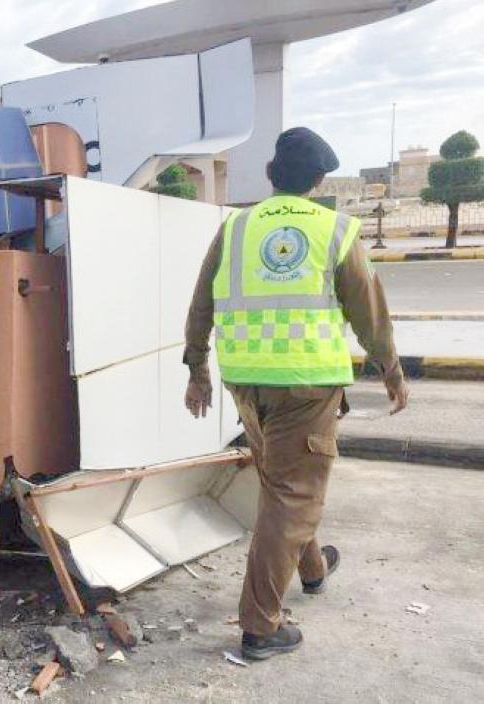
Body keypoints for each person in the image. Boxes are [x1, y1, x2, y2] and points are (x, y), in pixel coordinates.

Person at [182, 127, 409, 660]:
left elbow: (200, 305)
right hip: (306, 386)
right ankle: (260, 625)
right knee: (292, 494)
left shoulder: (236, 227)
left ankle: (313, 569)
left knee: (284, 483)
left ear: (269, 178)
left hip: (247, 381)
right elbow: (368, 314)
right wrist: (392, 371)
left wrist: (197, 370)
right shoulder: (336, 230)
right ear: (319, 180)